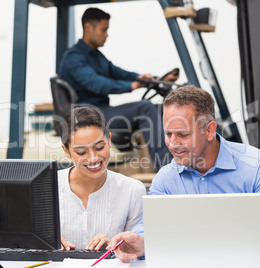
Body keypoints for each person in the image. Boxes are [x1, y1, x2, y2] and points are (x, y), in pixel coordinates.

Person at [108, 85, 260, 268]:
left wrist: (199, 235)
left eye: (182, 134)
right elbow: (149, 229)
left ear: (210, 130)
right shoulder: (166, 178)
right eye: (168, 133)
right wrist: (139, 242)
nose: (172, 144)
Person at [58, 7, 179, 170]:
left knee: (158, 109)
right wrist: (132, 86)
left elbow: (119, 73)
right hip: (87, 117)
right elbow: (98, 83)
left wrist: (154, 80)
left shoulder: (96, 56)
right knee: (145, 108)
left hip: (103, 111)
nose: (106, 34)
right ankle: (169, 172)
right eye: (104, 30)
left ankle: (184, 163)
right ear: (88, 27)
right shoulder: (74, 58)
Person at [58, 106, 147, 251]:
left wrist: (116, 247)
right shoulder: (46, 189)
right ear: (66, 151)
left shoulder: (132, 190)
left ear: (109, 140)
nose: (93, 158)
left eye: (99, 147)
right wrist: (44, 245)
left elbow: (137, 249)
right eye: (81, 152)